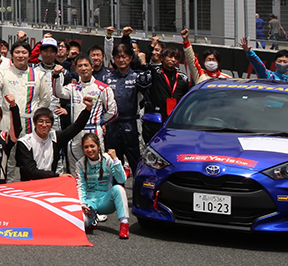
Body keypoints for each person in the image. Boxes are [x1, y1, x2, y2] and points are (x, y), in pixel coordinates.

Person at [96, 42, 150, 176]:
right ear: (113, 59)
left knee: (136, 161)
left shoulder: (137, 77)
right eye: (118, 57)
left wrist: (143, 65)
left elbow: (146, 83)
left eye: (124, 56)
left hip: (131, 124)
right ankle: (117, 188)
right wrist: (102, 122)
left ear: (130, 58)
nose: (121, 60)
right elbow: (100, 102)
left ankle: (138, 188)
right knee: (113, 162)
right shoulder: (107, 77)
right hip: (111, 125)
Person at [57, 56, 116, 173]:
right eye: (80, 66)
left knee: (98, 166)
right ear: (76, 69)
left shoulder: (103, 88)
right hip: (75, 132)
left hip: (93, 130)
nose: (83, 68)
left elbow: (112, 112)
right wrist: (56, 76)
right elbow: (58, 92)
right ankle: (77, 185)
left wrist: (99, 122)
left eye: (86, 65)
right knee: (75, 167)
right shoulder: (73, 87)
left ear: (92, 67)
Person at [0, 41, 51, 141]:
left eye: (24, 52)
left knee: (29, 150)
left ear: (29, 56)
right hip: (8, 122)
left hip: (30, 122)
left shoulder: (38, 75)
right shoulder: (3, 73)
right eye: (17, 52)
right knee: (8, 150)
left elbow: (46, 100)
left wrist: (35, 115)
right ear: (12, 55)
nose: (20, 56)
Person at [14, 103, 93, 181]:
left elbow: (76, 127)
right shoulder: (24, 142)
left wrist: (87, 109)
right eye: (41, 121)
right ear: (34, 123)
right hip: (31, 184)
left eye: (47, 122)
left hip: (51, 183)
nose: (44, 125)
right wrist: (56, 176)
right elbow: (30, 171)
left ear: (52, 125)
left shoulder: (55, 137)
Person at [76, 132, 130, 239]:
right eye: (86, 147)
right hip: (90, 204)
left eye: (92, 146)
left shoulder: (107, 159)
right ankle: (93, 218)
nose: (90, 150)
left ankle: (124, 224)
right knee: (81, 222)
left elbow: (121, 179)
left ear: (98, 146)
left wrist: (116, 160)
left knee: (118, 189)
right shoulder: (80, 164)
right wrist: (82, 204)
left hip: (106, 202)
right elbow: (80, 186)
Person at [143, 45, 189, 141]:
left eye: (176, 58)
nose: (173, 60)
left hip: (175, 119)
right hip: (156, 118)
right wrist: (151, 46)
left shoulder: (182, 78)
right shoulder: (154, 72)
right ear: (162, 58)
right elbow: (144, 63)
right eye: (170, 57)